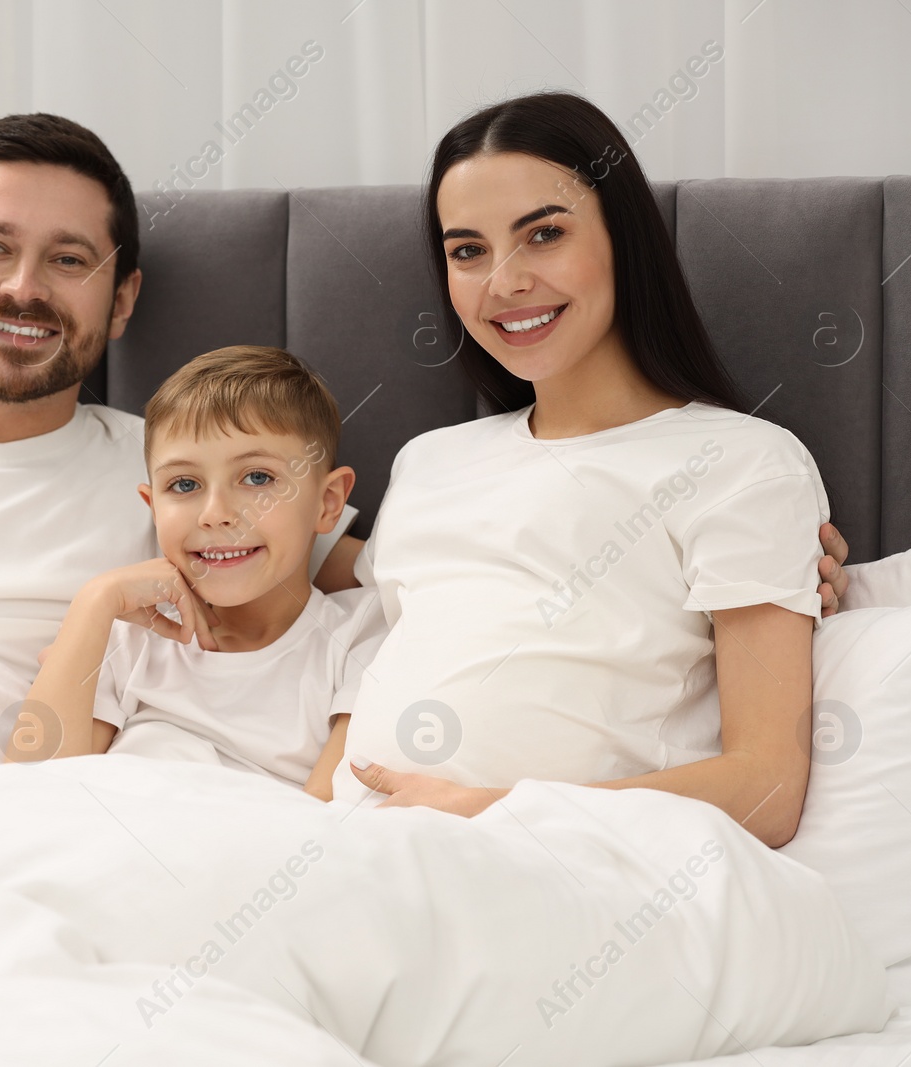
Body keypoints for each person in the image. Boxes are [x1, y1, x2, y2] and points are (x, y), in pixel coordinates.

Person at [0, 109, 851, 827]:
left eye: (69, 260)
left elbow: (446, 580)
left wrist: (778, 563)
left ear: (122, 301)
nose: (23, 286)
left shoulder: (192, 483)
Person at [338, 91, 836, 848]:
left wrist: (491, 810)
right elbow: (339, 591)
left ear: (622, 239)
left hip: (567, 872)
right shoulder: (430, 462)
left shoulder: (742, 462)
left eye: (543, 234)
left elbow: (765, 787)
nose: (503, 282)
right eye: (467, 250)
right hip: (354, 846)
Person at [12, 347, 386, 800]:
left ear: (328, 503)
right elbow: (28, 794)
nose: (215, 514)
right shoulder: (129, 635)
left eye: (257, 478)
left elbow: (328, 817)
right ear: (153, 509)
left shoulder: (363, 633)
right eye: (184, 485)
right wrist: (95, 601)